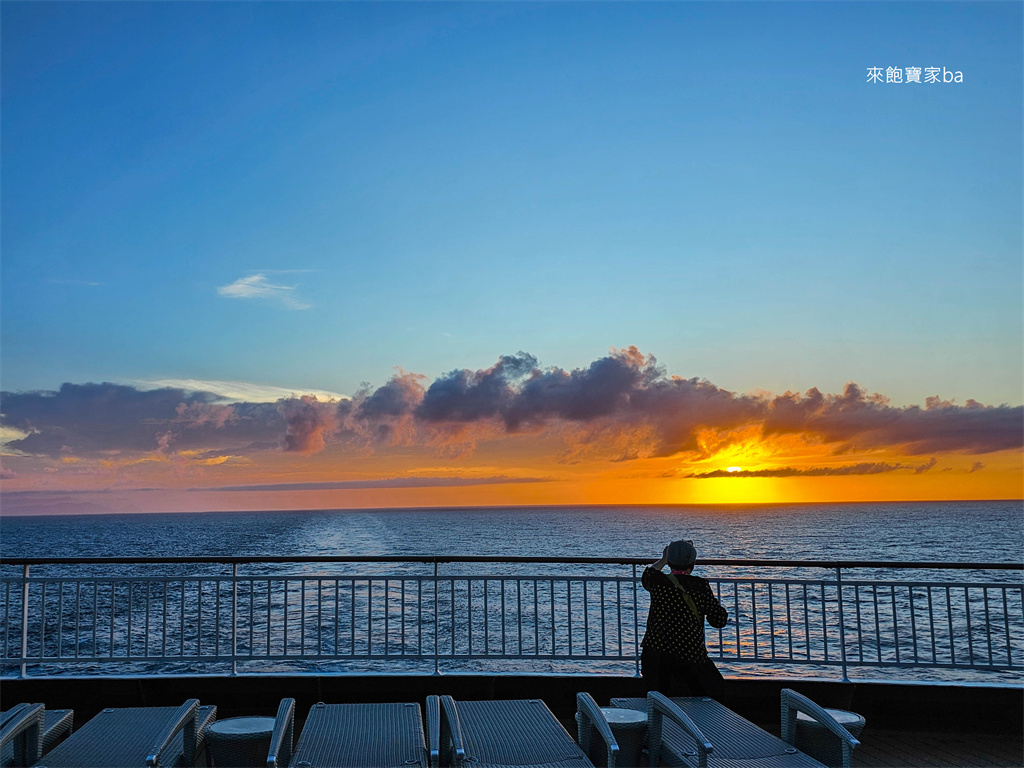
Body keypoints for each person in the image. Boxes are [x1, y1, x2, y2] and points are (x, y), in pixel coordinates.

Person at [640, 539, 729, 697]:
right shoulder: (699, 586)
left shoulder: (658, 581)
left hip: (655, 654)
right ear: (693, 564)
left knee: (655, 698)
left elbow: (648, 573)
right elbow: (718, 620)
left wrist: (662, 559)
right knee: (715, 689)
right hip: (689, 654)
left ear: (669, 562)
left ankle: (657, 721)